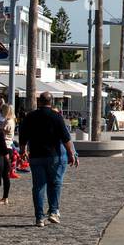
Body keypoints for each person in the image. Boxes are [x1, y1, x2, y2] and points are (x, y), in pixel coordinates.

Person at [19, 91, 78, 227]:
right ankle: (53, 211)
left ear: (39, 101)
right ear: (51, 102)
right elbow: (65, 137)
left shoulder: (30, 116)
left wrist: (23, 151)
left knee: (38, 186)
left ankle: (39, 217)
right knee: (55, 183)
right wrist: (70, 153)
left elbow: (23, 136)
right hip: (53, 156)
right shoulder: (56, 117)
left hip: (36, 156)